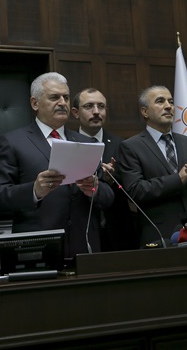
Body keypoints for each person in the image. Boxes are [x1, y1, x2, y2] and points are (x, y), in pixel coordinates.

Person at [0, 72, 114, 259]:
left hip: (85, 244)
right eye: (55, 97)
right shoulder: (13, 141)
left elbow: (108, 196)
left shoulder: (86, 142)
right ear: (35, 103)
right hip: (39, 244)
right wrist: (34, 190)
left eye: (65, 97)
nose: (63, 102)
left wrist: (94, 189)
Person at [117, 85, 187, 246]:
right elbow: (135, 191)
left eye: (171, 102)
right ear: (145, 111)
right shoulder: (131, 146)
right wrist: (178, 178)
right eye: (160, 101)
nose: (168, 106)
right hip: (158, 233)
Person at [70, 87, 138, 251]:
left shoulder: (122, 145)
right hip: (80, 230)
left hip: (117, 230)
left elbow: (131, 188)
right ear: (75, 112)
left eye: (101, 106)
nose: (96, 112)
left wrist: (114, 179)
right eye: (89, 106)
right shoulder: (69, 144)